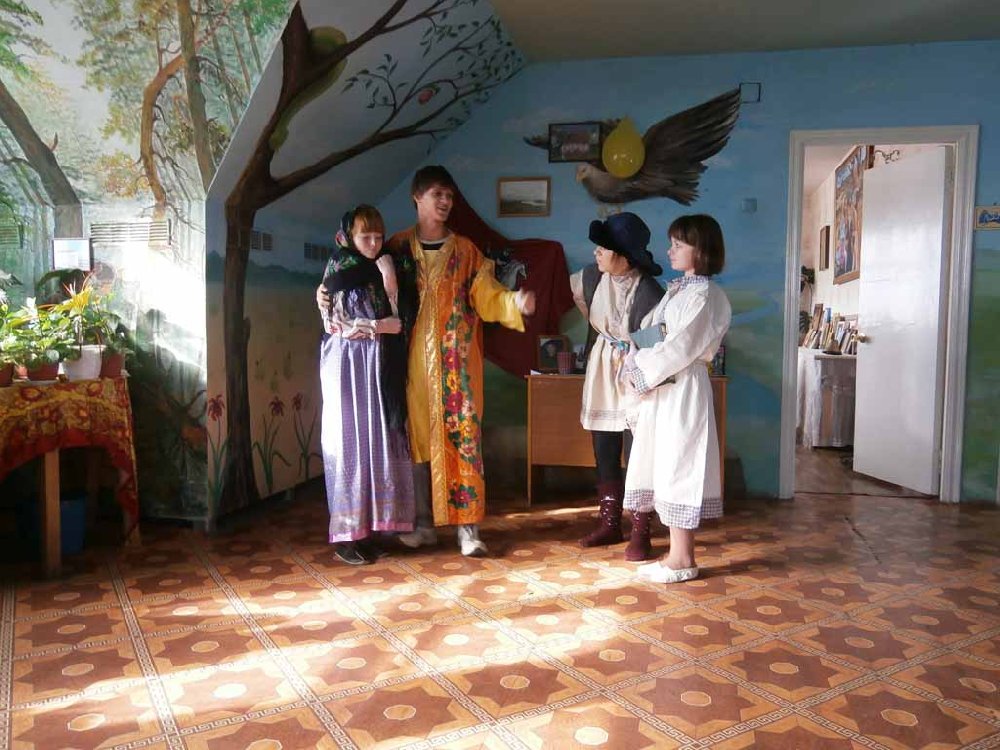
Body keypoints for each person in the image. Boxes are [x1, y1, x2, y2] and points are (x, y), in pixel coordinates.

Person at [319, 167, 535, 557]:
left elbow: (486, 294)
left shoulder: (467, 251)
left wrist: (512, 301)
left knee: (463, 438)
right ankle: (421, 524)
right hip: (409, 364)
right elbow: (353, 276)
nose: (445, 202)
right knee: (414, 443)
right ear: (417, 198)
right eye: (437, 194)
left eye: (449, 195)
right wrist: (322, 293)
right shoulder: (396, 247)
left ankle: (468, 529)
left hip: (458, 365)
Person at [623, 214, 731, 583]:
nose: (670, 250)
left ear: (701, 249)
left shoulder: (706, 296)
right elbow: (653, 332)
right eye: (671, 243)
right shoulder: (679, 291)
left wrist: (641, 368)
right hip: (664, 387)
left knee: (680, 462)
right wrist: (634, 354)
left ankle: (683, 558)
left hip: (683, 387)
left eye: (678, 244)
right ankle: (675, 553)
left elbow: (681, 346)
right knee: (664, 462)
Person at [318, 205, 416, 565]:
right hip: (346, 364)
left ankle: (371, 530)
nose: (373, 243)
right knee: (349, 442)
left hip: (378, 364)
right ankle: (347, 536)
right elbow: (335, 322)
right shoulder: (339, 267)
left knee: (376, 441)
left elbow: (401, 314)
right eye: (365, 237)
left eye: (378, 236)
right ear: (349, 236)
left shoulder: (388, 264)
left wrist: (389, 282)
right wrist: (378, 327)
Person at [570, 212, 664, 561]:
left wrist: (634, 363)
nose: (596, 252)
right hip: (603, 370)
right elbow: (590, 315)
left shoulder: (650, 293)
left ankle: (641, 529)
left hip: (637, 370)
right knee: (604, 446)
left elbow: (654, 344)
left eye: (604, 248)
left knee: (640, 449)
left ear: (625, 256)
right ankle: (610, 523)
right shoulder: (591, 279)